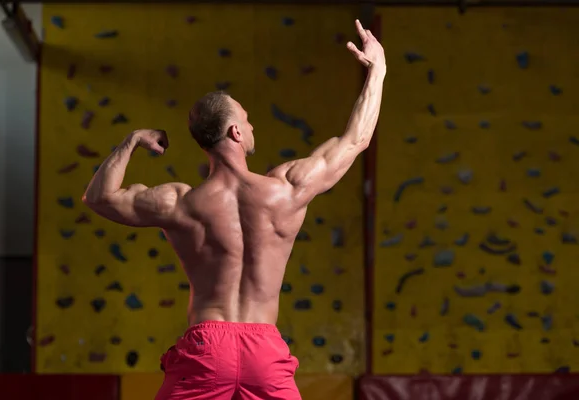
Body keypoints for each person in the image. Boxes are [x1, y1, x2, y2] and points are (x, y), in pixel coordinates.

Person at [83, 19, 385, 400]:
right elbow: (355, 139)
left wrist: (130, 142)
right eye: (246, 118)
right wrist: (378, 70)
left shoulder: (180, 202)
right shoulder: (285, 189)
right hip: (264, 353)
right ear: (236, 133)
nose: (251, 123)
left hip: (206, 350)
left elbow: (98, 197)